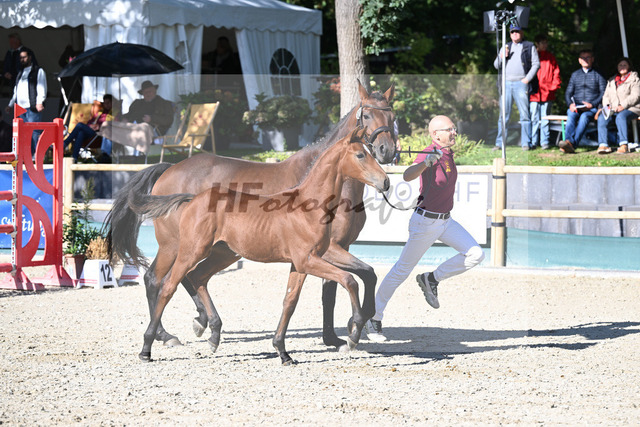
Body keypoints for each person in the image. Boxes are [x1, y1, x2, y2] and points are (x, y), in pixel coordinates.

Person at [365, 115, 485, 342]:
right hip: (426, 223)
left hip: (446, 221)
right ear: (435, 134)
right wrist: (425, 163)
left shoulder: (448, 153)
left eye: (454, 128)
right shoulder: (429, 152)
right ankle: (373, 317)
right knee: (401, 271)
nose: (454, 132)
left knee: (476, 254)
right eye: (449, 129)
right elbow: (407, 175)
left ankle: (431, 279)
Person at [493, 24, 540, 151]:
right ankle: (500, 143)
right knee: (503, 115)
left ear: (522, 33)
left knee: (525, 115)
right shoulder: (505, 46)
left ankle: (526, 143)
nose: (515, 34)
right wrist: (502, 57)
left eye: (517, 32)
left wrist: (527, 79)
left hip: (521, 83)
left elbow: (536, 64)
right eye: (512, 32)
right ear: (509, 34)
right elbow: (496, 65)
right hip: (506, 83)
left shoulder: (529, 46)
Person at [559, 49, 606, 154]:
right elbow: (568, 93)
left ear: (592, 59)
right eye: (583, 58)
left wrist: (592, 104)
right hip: (577, 107)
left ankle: (572, 144)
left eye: (588, 57)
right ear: (579, 60)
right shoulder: (575, 75)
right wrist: (570, 104)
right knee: (570, 113)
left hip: (592, 108)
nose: (585, 60)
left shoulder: (599, 74)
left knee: (584, 117)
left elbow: (603, 93)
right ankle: (568, 141)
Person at [5, 47, 47, 155]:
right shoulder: (20, 73)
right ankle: (27, 155)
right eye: (20, 58)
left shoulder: (38, 71)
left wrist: (40, 101)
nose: (22, 59)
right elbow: (16, 91)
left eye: (24, 57)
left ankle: (36, 155)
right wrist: (10, 104)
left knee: (34, 131)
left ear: (30, 57)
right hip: (21, 108)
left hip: (32, 106)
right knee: (23, 132)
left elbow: (42, 87)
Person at [594, 58, 640, 154]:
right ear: (617, 67)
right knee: (602, 117)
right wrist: (607, 107)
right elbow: (606, 96)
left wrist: (622, 105)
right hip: (614, 109)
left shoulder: (634, 79)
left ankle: (623, 145)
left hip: (632, 108)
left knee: (621, 117)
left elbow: (636, 96)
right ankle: (603, 145)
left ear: (629, 66)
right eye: (620, 65)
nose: (622, 67)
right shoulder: (611, 80)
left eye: (624, 65)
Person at [529, 34, 561, 150]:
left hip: (547, 93)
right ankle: (533, 141)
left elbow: (556, 73)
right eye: (543, 42)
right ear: (537, 44)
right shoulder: (532, 56)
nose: (545, 45)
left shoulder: (550, 57)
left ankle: (544, 142)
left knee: (545, 118)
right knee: (534, 118)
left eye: (546, 42)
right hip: (534, 93)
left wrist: (553, 87)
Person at [63, 95, 114, 163]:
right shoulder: (100, 112)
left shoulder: (115, 113)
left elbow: (115, 124)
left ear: (112, 103)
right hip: (92, 133)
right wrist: (90, 125)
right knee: (80, 133)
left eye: (108, 103)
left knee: (79, 125)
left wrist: (99, 126)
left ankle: (65, 143)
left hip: (101, 135)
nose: (106, 105)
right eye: (105, 103)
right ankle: (74, 158)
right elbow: (90, 122)